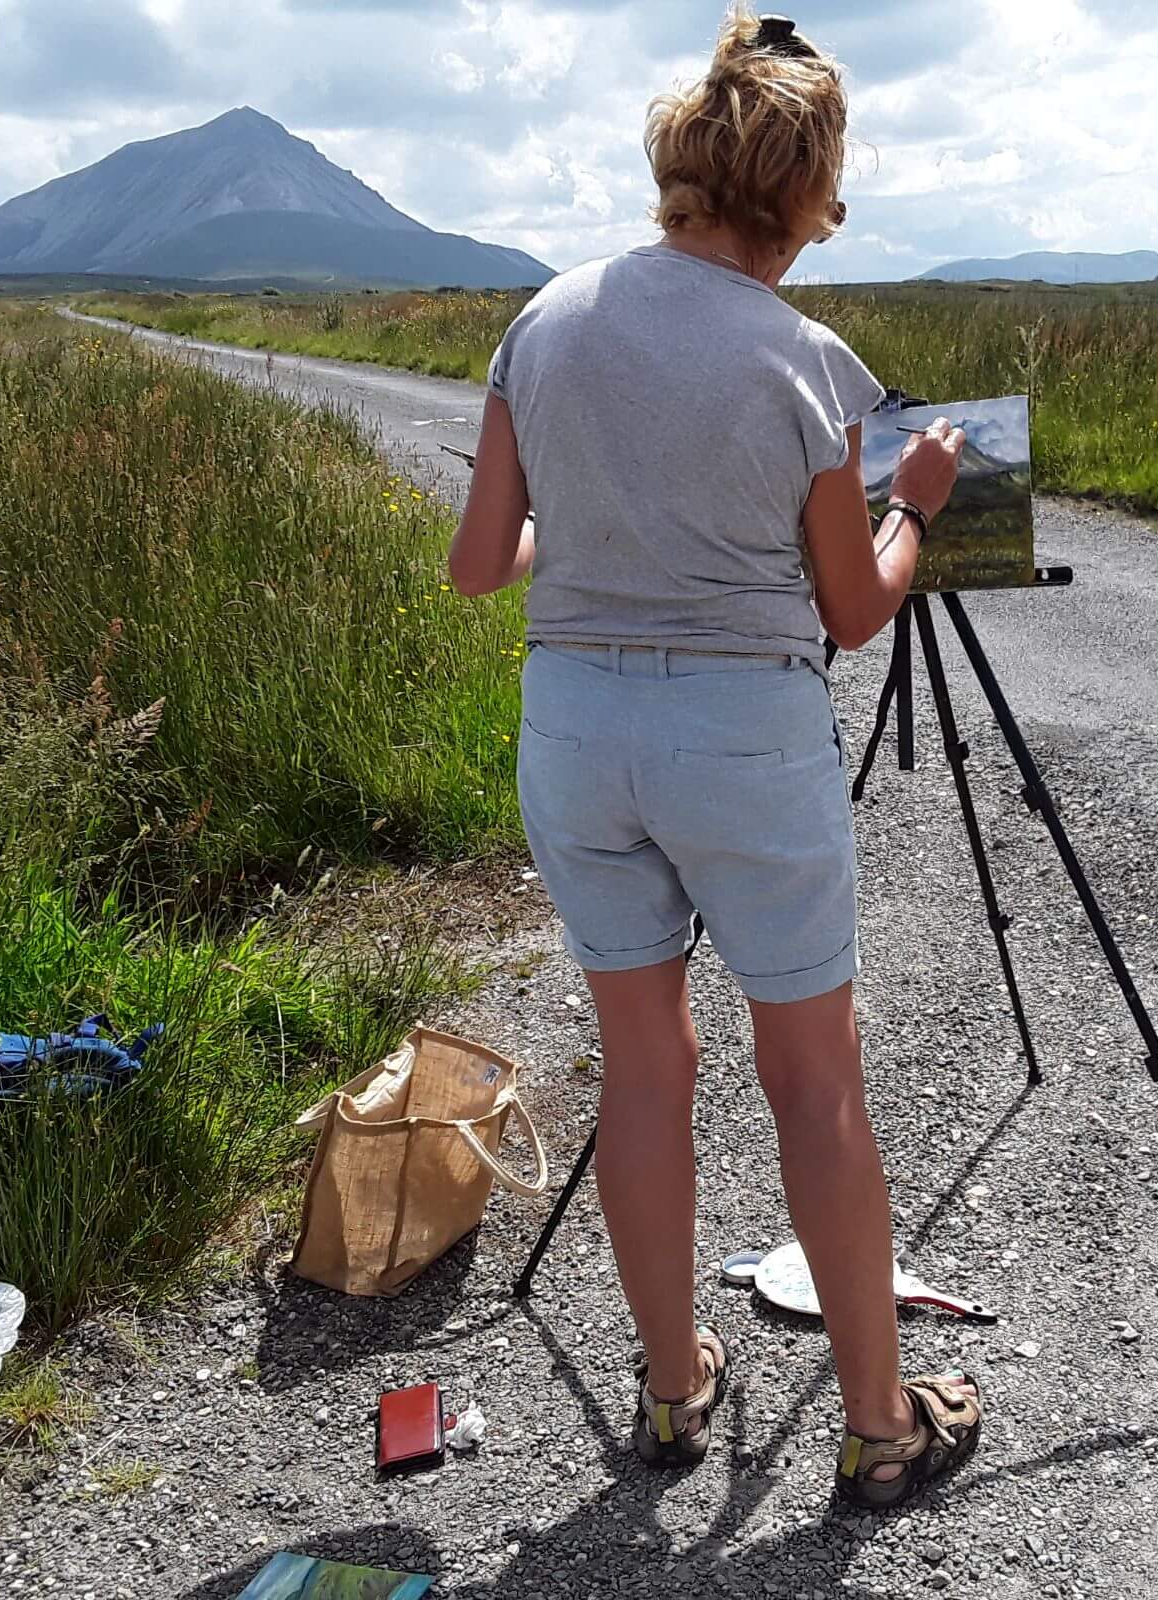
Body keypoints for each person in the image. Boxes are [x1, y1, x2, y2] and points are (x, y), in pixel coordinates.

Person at [446, 8, 984, 1511]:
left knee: (642, 1063)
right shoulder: (806, 361)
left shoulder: (541, 321)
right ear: (798, 191)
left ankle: (674, 1385)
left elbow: (482, 565)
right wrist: (918, 501)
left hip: (577, 733)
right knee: (812, 1081)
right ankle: (881, 1426)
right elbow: (854, 608)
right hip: (741, 739)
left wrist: (600, 537)